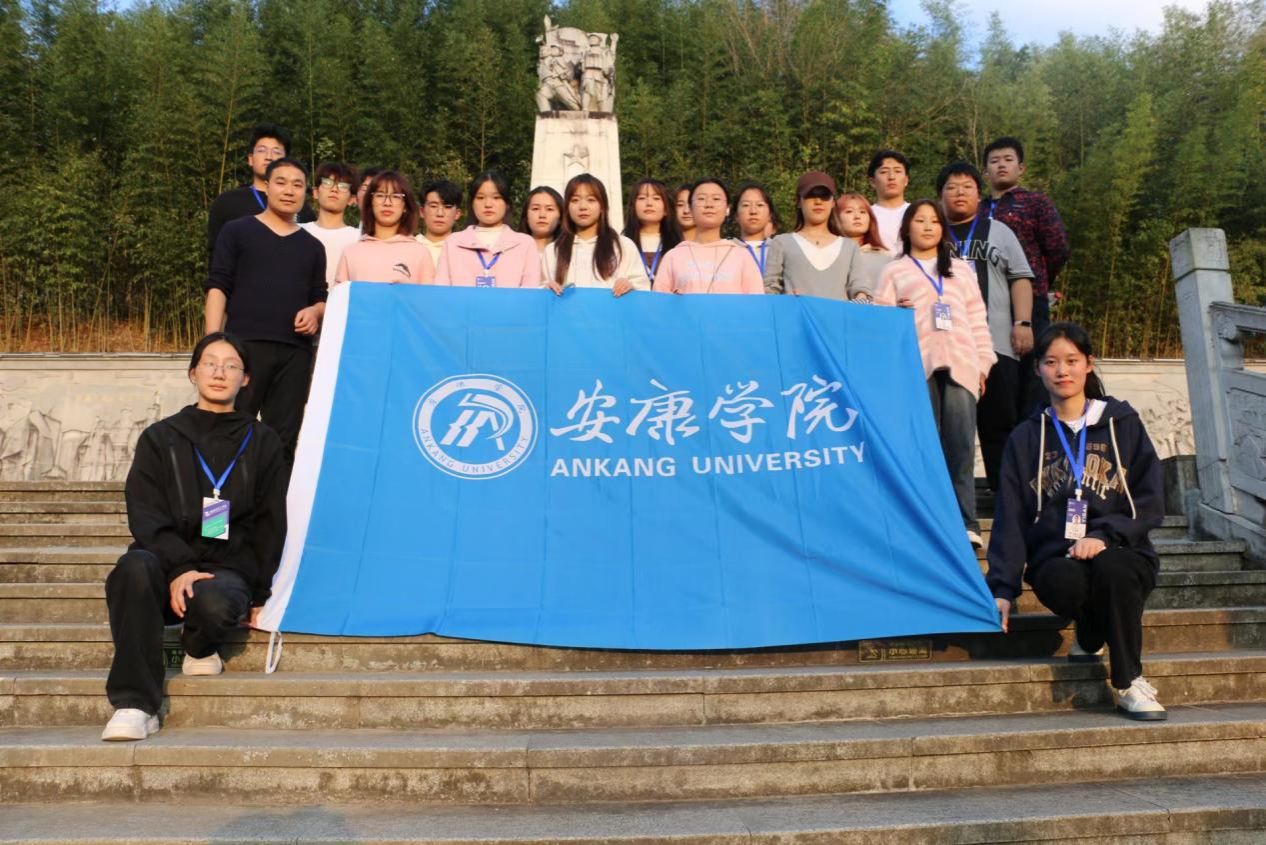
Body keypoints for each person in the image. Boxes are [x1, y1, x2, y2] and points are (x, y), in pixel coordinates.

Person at [101, 333, 288, 741]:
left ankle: (199, 646)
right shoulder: (160, 437)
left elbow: (271, 521)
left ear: (246, 379)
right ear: (193, 373)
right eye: (210, 363)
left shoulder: (263, 441)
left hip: (227, 566)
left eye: (231, 365)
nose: (220, 372)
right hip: (164, 562)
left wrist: (262, 593)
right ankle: (135, 704)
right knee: (132, 568)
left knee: (216, 601)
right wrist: (180, 567)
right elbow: (144, 511)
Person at [987, 322, 1166, 721]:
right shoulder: (1026, 437)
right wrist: (1002, 587)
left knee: (1114, 569)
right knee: (1065, 580)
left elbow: (1151, 498)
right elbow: (1010, 517)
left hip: (1122, 550)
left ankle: (1129, 681)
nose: (1062, 371)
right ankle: (1089, 632)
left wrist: (1104, 535)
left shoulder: (1122, 423)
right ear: (1038, 369)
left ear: (1088, 364)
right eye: (1051, 362)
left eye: (1071, 361)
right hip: (1057, 558)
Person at [874, 201, 995, 546]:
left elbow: (978, 320)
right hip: (915, 368)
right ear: (906, 228)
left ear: (942, 229)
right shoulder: (893, 271)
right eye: (920, 220)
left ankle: (966, 523)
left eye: (934, 221)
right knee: (921, 447)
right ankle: (925, 525)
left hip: (961, 365)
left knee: (960, 447)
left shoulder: (960, 270)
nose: (927, 226)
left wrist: (983, 364)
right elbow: (880, 325)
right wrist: (895, 315)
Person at [205, 157, 326, 466]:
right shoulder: (237, 231)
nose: (289, 191)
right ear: (267, 187)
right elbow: (218, 286)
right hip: (243, 347)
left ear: (306, 193)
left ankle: (274, 499)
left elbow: (320, 297)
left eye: (297, 185)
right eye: (281, 182)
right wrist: (212, 343)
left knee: (283, 441)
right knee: (227, 431)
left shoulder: (313, 246)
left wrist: (315, 312)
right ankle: (219, 500)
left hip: (294, 353)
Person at [937, 161, 1034, 492]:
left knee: (1001, 423)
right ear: (939, 196)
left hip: (995, 344)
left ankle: (1007, 495)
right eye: (951, 187)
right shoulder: (931, 232)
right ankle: (950, 500)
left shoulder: (999, 231)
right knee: (947, 429)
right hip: (945, 349)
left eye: (967, 187)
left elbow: (1020, 278)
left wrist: (1023, 322)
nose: (959, 193)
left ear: (979, 195)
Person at [982, 136, 1071, 412]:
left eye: (1008, 160)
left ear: (1021, 168)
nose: (1001, 165)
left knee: (1033, 371)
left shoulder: (1035, 203)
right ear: (985, 172)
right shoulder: (977, 209)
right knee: (997, 372)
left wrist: (1039, 280)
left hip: (1030, 299)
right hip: (986, 302)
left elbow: (1057, 247)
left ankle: (1033, 429)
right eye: (994, 161)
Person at [207, 124, 314, 262]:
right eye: (262, 150)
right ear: (250, 159)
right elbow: (216, 255)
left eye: (276, 152)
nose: (269, 157)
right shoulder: (227, 203)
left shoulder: (299, 207)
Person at [763, 171, 869, 302]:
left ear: (833, 202)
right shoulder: (782, 242)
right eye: (810, 195)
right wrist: (787, 301)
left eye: (824, 196)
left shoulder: (849, 247)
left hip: (837, 315)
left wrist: (861, 299)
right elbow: (770, 290)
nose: (818, 201)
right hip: (795, 315)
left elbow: (860, 289)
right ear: (799, 202)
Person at [543, 174, 648, 295]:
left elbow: (643, 288)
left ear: (602, 206)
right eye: (575, 200)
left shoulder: (623, 246)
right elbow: (540, 291)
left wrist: (630, 285)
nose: (583, 207)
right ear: (567, 207)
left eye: (591, 200)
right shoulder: (553, 250)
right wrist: (546, 288)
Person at [653, 179, 763, 295]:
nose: (709, 205)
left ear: (727, 209)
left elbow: (756, 301)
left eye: (716, 199)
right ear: (690, 208)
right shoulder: (673, 257)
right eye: (701, 199)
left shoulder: (742, 256)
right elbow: (659, 301)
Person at [436, 171, 541, 288]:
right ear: (472, 203)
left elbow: (530, 292)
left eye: (496, 197)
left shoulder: (525, 244)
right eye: (480, 198)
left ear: (507, 203)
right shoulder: (453, 243)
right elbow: (441, 291)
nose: (488, 204)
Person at [335, 171, 434, 285]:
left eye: (396, 196)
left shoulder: (420, 253)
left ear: (405, 206)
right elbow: (340, 295)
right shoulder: (351, 252)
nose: (387, 203)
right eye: (380, 195)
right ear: (370, 203)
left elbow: (428, 295)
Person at [300, 162, 360, 290]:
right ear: (315, 192)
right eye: (327, 182)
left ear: (352, 199)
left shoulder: (359, 238)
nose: (334, 189)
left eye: (343, 186)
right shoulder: (299, 231)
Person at [622, 179, 682, 288]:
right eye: (642, 198)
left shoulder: (679, 246)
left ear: (666, 209)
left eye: (656, 198)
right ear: (633, 207)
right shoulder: (622, 244)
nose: (649, 203)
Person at [836, 191, 894, 300]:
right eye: (849, 211)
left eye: (863, 212)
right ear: (836, 218)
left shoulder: (885, 258)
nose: (857, 216)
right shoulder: (828, 254)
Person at [731, 181, 781, 279]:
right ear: (736, 215)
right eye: (746, 205)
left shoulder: (780, 250)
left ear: (770, 215)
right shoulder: (726, 251)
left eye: (760, 205)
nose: (753, 211)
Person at [868, 149, 911, 253]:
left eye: (897, 171)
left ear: (906, 180)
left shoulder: (917, 213)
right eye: (884, 172)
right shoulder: (866, 215)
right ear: (872, 182)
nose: (891, 177)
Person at [416, 179, 464, 269]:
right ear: (422, 211)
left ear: (457, 214)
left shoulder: (465, 251)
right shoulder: (409, 248)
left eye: (447, 207)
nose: (440, 213)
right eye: (433, 206)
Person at [520, 186, 564, 253]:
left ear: (560, 217)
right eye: (535, 208)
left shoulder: (571, 251)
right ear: (526, 215)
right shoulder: (512, 249)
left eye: (549, 209)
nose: (542, 215)